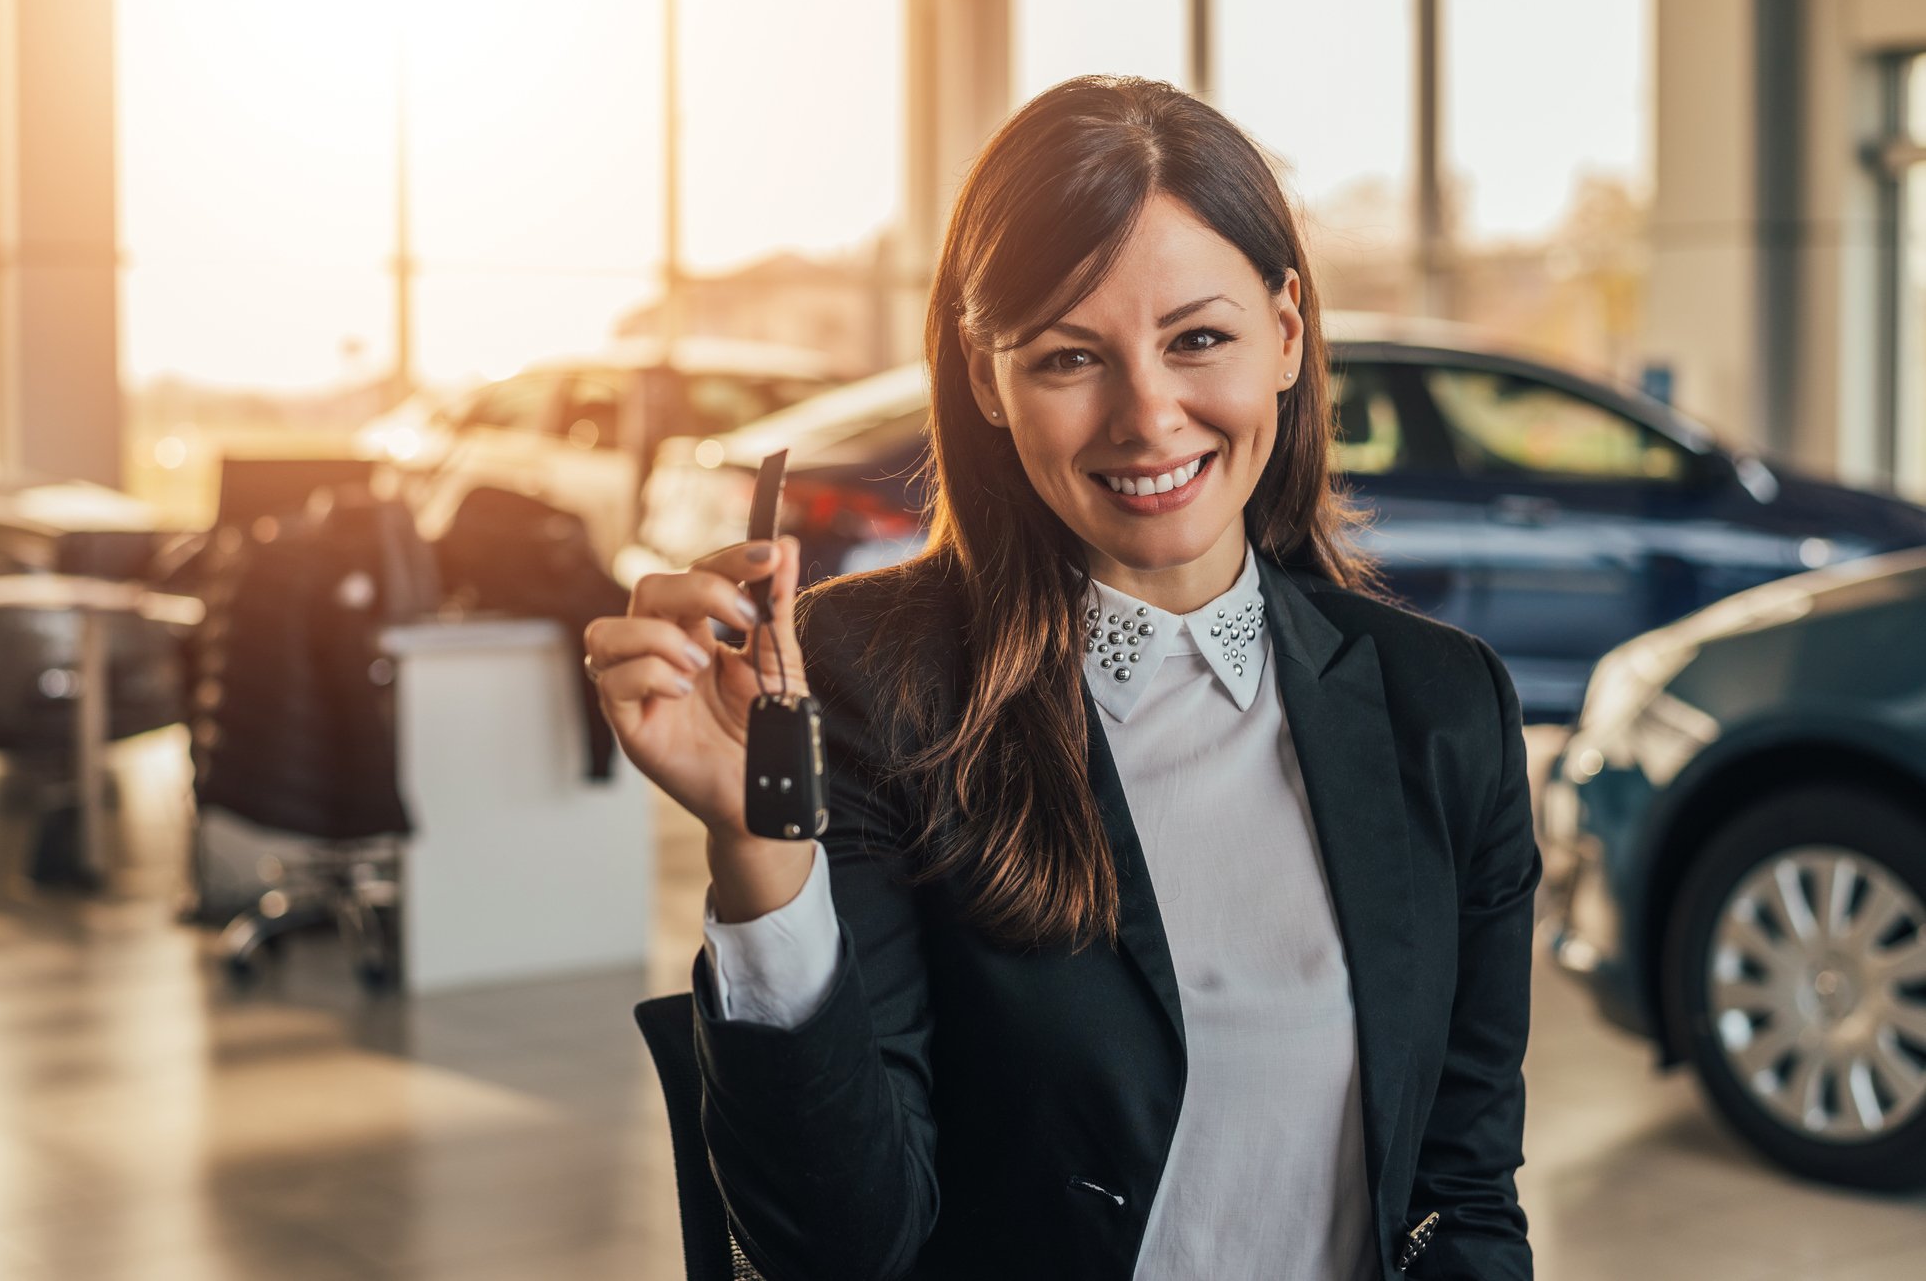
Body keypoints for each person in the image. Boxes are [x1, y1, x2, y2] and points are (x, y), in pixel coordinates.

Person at [583, 75, 1539, 1281]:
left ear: (1286, 332)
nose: (1147, 416)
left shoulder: (1445, 709)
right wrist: (762, 843)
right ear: (986, 379)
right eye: (1067, 356)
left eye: (1198, 338)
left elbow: (1460, 1196)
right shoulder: (865, 685)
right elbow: (840, 1250)